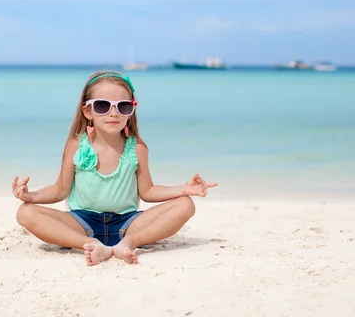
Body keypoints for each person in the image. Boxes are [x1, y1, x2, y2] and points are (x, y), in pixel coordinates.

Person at [12, 71, 218, 265]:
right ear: (88, 111)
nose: (113, 113)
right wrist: (31, 197)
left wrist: (184, 189)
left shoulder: (137, 148)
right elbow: (60, 190)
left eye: (123, 106)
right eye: (102, 106)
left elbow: (148, 191)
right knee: (25, 213)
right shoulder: (77, 145)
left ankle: (129, 243)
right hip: (81, 222)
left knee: (186, 205)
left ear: (131, 111)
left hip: (127, 224)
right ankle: (91, 244)